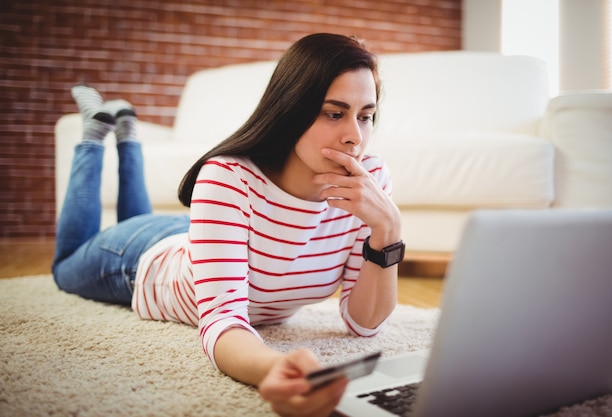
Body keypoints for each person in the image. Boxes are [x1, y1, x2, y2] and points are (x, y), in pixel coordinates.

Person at [53, 33, 404, 417]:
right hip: (142, 262)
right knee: (65, 266)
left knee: (137, 218)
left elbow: (364, 324)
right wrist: (273, 367)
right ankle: (94, 137)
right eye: (334, 113)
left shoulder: (369, 180)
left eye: (366, 116)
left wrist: (388, 231)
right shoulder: (227, 177)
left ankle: (128, 136)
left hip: (205, 237)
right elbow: (222, 321)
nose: (355, 136)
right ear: (291, 109)